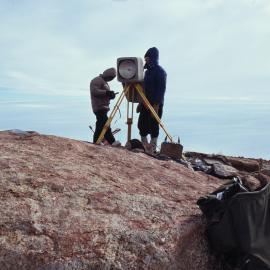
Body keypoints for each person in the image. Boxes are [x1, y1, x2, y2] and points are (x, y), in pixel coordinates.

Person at [138, 47, 167, 152]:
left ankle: (152, 148)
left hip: (156, 103)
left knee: (154, 125)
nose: (146, 60)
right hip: (145, 103)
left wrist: (156, 103)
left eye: (147, 58)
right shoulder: (147, 72)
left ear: (153, 58)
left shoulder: (160, 72)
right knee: (142, 124)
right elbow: (144, 88)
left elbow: (161, 89)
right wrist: (141, 102)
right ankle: (144, 145)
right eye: (145, 58)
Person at [90, 67, 121, 146]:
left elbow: (104, 94)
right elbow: (94, 91)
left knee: (102, 124)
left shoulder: (104, 82)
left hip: (103, 107)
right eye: (110, 77)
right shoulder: (96, 80)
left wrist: (110, 95)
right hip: (98, 106)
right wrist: (107, 92)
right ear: (107, 74)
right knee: (103, 124)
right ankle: (110, 141)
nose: (110, 79)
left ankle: (98, 140)